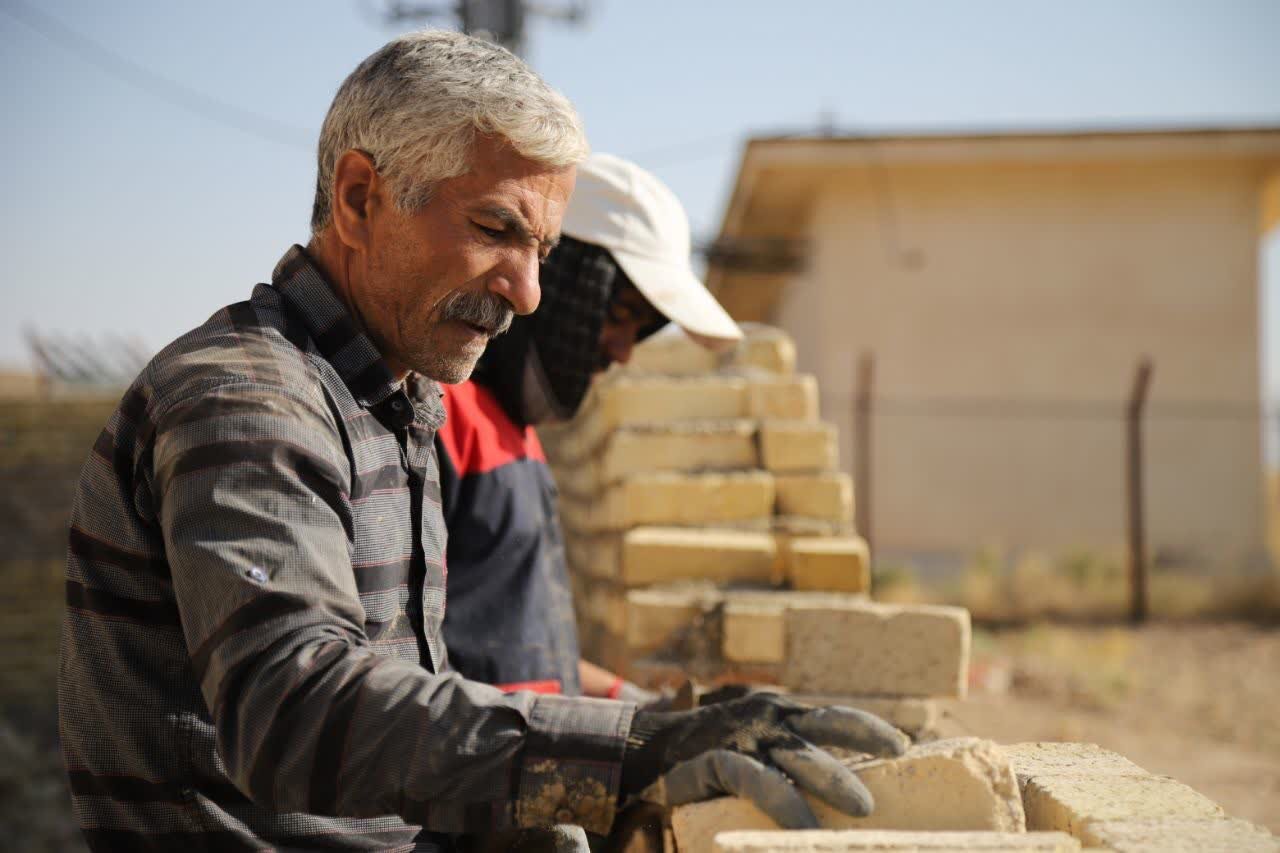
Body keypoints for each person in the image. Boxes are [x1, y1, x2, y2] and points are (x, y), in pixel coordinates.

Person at [58, 29, 907, 853]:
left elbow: (415, 712)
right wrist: (627, 750)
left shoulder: (398, 396)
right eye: (497, 230)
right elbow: (293, 710)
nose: (530, 292)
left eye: (540, 249)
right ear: (359, 199)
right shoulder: (250, 399)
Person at [436, 153, 742, 706]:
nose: (624, 351)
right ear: (555, 276)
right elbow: (406, 671)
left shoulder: (511, 427)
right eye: (618, 314)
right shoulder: (438, 415)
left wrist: (643, 707)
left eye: (642, 330)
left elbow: (516, 660)